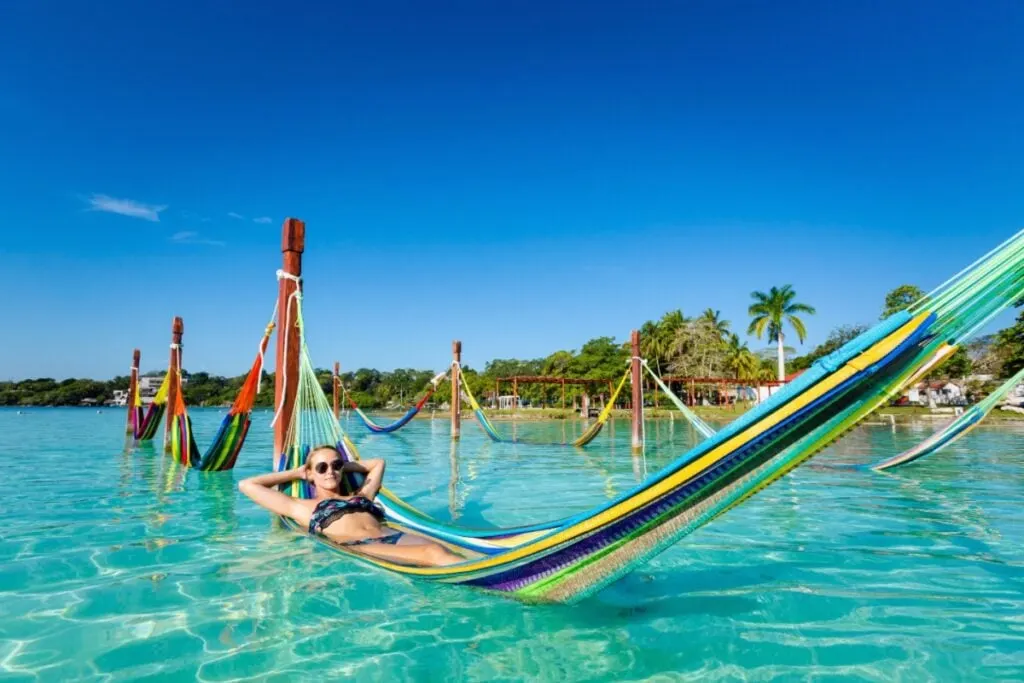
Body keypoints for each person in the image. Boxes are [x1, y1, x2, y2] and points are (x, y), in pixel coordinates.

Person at [238, 445, 463, 567]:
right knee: (434, 552)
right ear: (311, 474)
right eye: (322, 468)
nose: (330, 472)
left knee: (451, 550)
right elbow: (247, 485)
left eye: (336, 465)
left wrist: (344, 466)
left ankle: (489, 578)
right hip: (359, 544)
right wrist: (298, 472)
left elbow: (377, 464)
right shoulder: (302, 507)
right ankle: (493, 585)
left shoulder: (361, 494)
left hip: (392, 534)